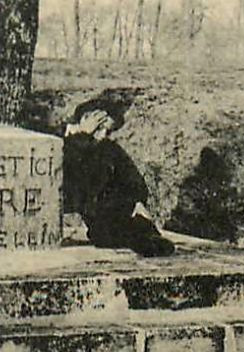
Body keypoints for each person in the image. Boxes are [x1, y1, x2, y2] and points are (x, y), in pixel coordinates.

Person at [61, 96, 176, 258]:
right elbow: (70, 165)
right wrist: (82, 136)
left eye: (108, 131)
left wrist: (136, 202)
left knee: (123, 226)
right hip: (77, 201)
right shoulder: (64, 141)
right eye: (99, 129)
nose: (103, 136)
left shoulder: (106, 148)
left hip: (105, 210)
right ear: (85, 120)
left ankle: (145, 237)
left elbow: (131, 178)